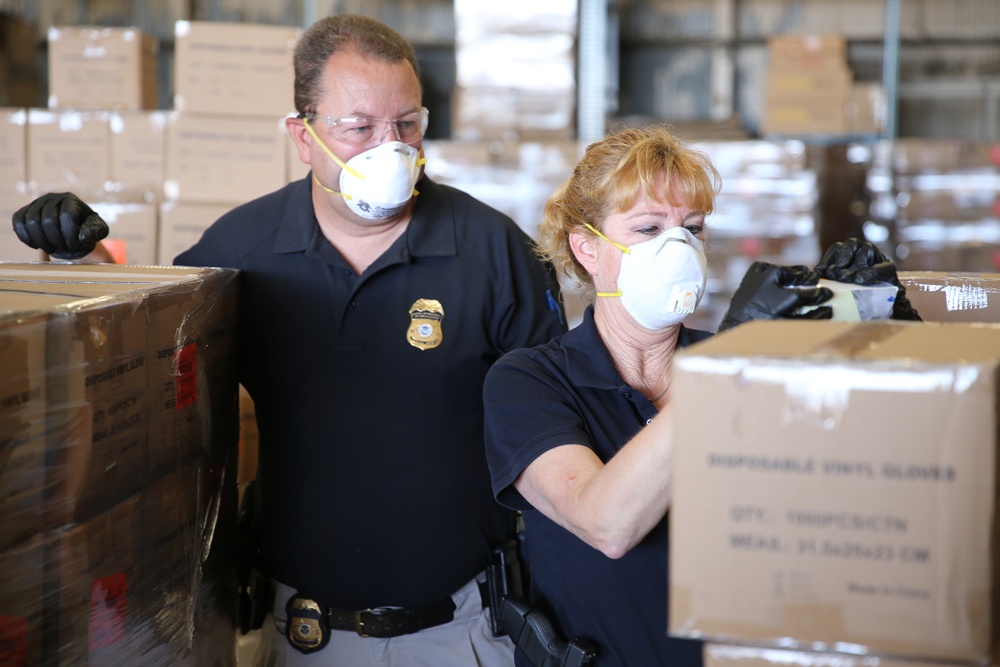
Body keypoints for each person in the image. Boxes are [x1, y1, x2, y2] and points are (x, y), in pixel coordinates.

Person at [12, 14, 566, 667]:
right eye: (359, 128)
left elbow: (558, 427)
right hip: (303, 636)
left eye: (407, 124)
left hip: (462, 632)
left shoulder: (495, 252)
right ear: (303, 137)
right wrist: (84, 257)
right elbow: (143, 351)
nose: (391, 148)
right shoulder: (242, 251)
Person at [480, 125, 847, 667]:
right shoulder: (530, 380)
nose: (678, 249)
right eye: (648, 229)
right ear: (588, 249)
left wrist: (870, 334)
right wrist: (730, 369)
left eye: (692, 230)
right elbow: (606, 522)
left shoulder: (738, 359)